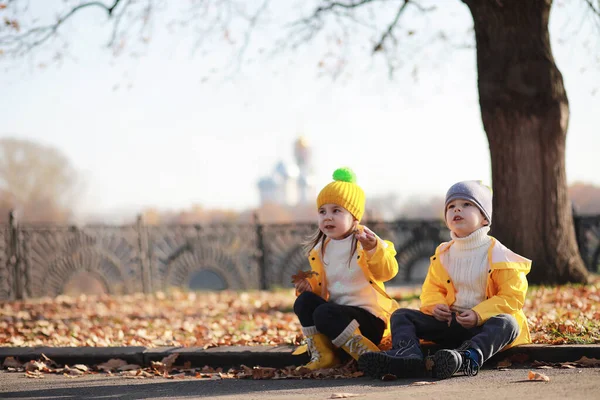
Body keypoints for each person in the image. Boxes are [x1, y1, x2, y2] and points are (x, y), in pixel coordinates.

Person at [358, 180, 531, 379]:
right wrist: (436, 306)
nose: (457, 209)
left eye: (467, 204)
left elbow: (512, 297)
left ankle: (467, 357)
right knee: (401, 315)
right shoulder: (443, 254)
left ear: (484, 218)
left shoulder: (500, 255)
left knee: (508, 323)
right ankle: (408, 355)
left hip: (483, 327)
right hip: (450, 323)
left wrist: (478, 314)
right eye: (451, 206)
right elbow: (431, 290)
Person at [293, 167, 399, 370]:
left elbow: (388, 271)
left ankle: (369, 356)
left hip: (368, 321)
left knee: (326, 312)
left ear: (354, 217)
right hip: (335, 320)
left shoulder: (367, 242)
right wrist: (309, 285)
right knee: (304, 301)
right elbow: (324, 284)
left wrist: (374, 249)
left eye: (336, 211)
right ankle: (324, 355)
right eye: (322, 211)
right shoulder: (320, 249)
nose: (328, 217)